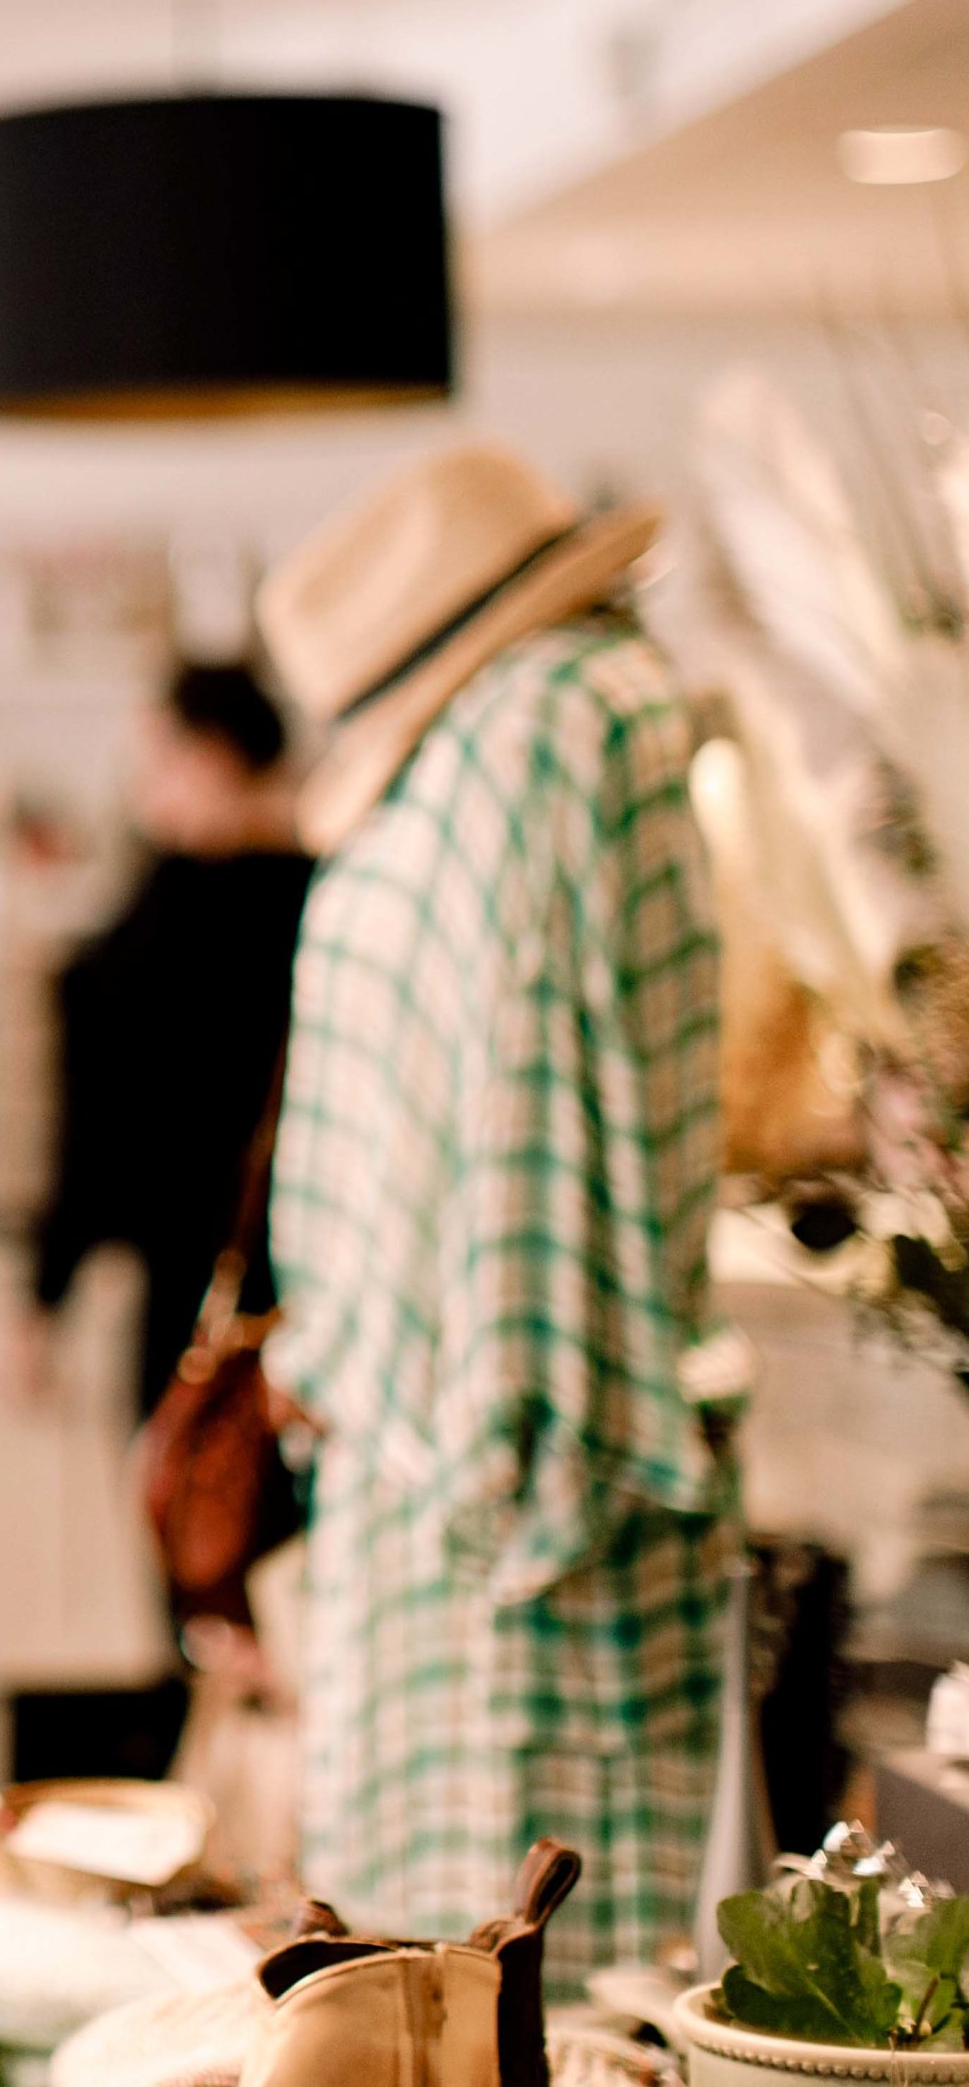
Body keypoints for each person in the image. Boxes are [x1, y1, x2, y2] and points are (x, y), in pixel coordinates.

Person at [253, 441, 725, 1992]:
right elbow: (546, 1122)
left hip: (410, 1472)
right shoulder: (576, 732)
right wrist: (534, 1437)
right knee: (564, 1988)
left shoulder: (438, 796)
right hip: (514, 1482)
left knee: (428, 1982)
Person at [6, 662, 311, 1425]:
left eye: (155, 761)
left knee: (200, 1522)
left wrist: (44, 1297)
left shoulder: (167, 917)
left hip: (195, 1299)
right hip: (322, 1288)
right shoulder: (335, 891)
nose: (141, 789)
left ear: (210, 757)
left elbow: (94, 1124)